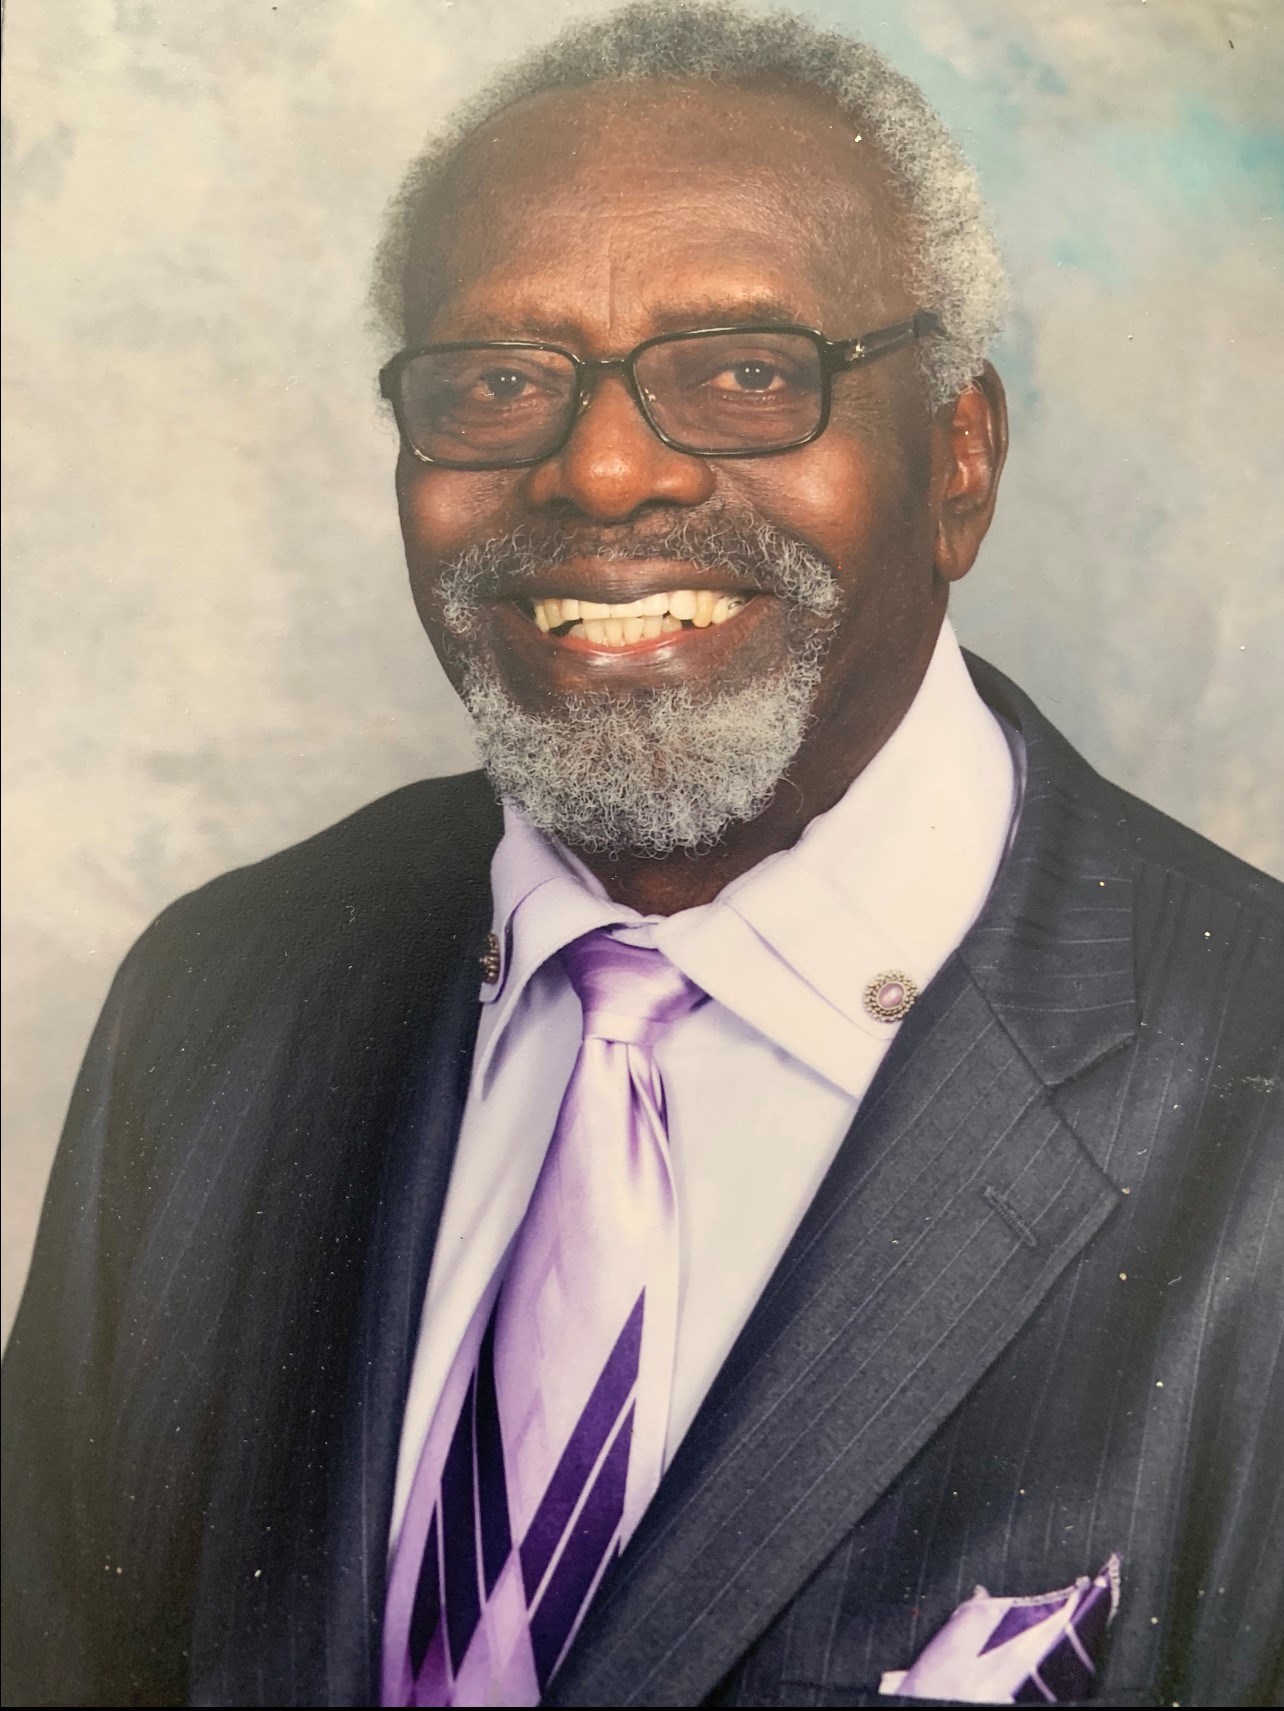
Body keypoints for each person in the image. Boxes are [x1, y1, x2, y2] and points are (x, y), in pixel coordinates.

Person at [3, 3, 1280, 1706]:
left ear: (959, 460)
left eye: (747, 371)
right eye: (497, 382)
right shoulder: (218, 992)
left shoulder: (1255, 1088)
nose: (602, 471)